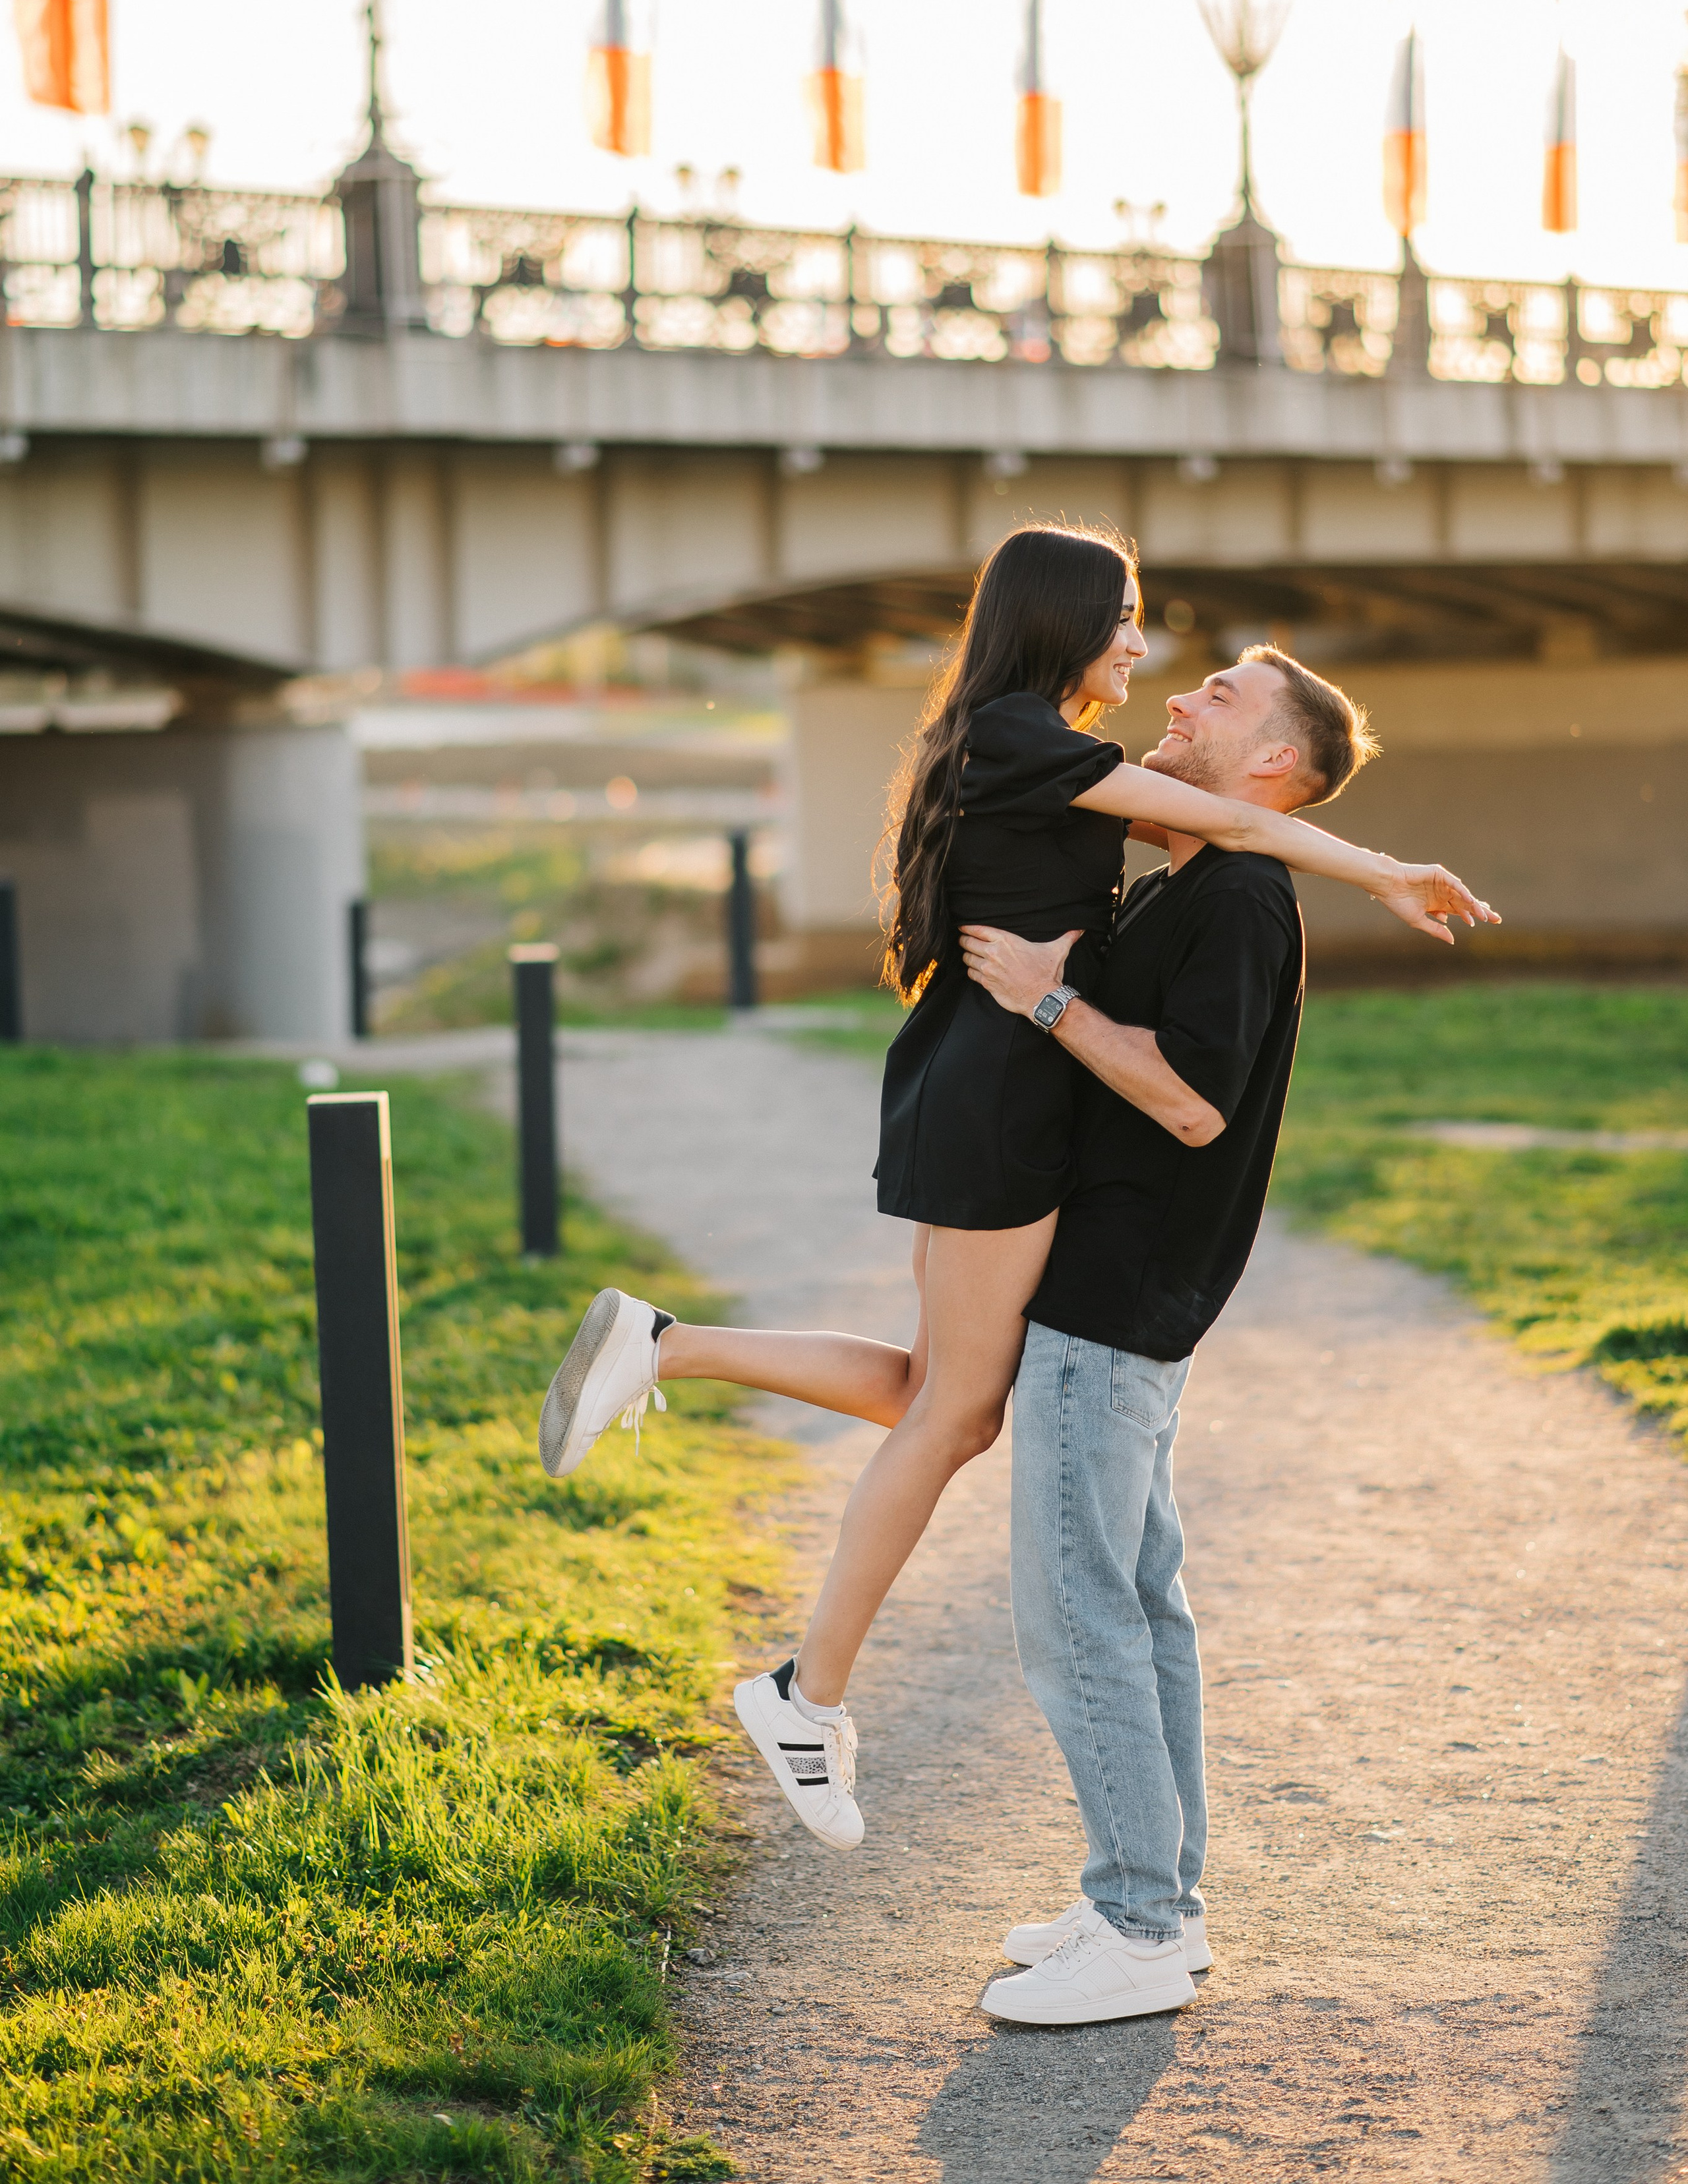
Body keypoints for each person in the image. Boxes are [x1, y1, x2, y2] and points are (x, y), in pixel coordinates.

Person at [536, 526, 1497, 1855]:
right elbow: (1224, 817)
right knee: (952, 1416)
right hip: (998, 1100)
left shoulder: (1019, 742)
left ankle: (665, 1348)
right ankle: (804, 1691)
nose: (1142, 650)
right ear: (1061, 619)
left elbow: (1225, 831)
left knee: (935, 1391)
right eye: (1125, 619)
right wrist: (1385, 870)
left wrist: (1321, 846)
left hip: (977, 1090)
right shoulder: (1022, 735)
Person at [963, 644, 1387, 2022]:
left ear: (1274, 764)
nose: (1183, 697)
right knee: (1135, 1604)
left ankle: (1137, 1924)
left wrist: (1044, 993)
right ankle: (1155, 1901)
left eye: (1218, 692)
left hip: (1113, 1298)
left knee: (1073, 1611)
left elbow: (1193, 1103)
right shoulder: (1199, 878)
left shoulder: (1244, 901)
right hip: (1120, 1294)